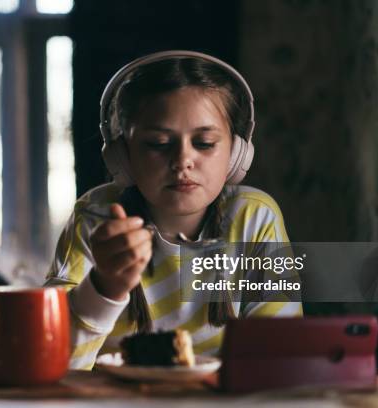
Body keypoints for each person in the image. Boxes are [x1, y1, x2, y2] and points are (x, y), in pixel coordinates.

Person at [45, 50, 302, 370]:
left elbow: (282, 358)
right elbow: (50, 362)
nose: (183, 161)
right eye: (158, 144)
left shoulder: (254, 217)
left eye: (205, 143)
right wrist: (104, 288)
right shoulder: (95, 218)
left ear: (237, 154)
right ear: (122, 157)